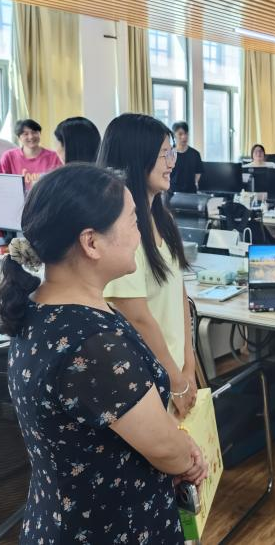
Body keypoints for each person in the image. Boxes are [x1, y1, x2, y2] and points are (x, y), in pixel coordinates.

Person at [0, 163, 207, 543]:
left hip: (61, 516)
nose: (140, 234)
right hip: (107, 528)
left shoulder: (45, 307)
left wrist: (175, 443)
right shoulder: (91, 344)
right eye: (133, 222)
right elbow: (164, 449)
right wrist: (187, 455)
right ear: (91, 242)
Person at [98, 114, 197, 418]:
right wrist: (175, 378)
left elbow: (179, 293)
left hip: (174, 370)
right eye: (164, 154)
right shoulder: (117, 229)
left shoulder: (162, 217)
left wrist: (189, 363)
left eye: (172, 152)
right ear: (137, 158)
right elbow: (136, 316)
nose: (172, 163)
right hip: (145, 378)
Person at [0, 118, 62, 189]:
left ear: (39, 134)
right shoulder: (8, 157)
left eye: (34, 132)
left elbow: (60, 183)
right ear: (19, 137)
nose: (31, 137)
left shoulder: (55, 157)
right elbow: (1, 184)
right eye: (26, 134)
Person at [169, 121, 204, 194]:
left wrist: (195, 182)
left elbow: (198, 172)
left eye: (186, 133)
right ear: (174, 135)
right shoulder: (169, 153)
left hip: (190, 192)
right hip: (172, 192)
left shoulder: (195, 154)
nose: (184, 137)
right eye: (180, 134)